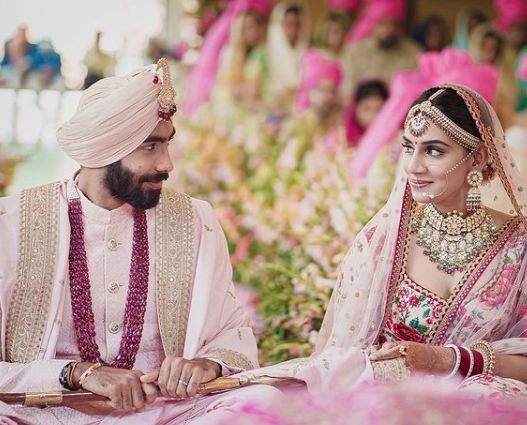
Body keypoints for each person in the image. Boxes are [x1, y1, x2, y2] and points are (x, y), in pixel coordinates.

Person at [0, 59, 274, 424]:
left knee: (261, 403)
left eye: (167, 145)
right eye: (150, 147)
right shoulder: (13, 223)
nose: (167, 164)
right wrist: (76, 373)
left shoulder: (195, 221)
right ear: (103, 149)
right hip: (46, 412)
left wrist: (206, 364)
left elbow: (231, 331)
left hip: (162, 413)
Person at [236, 83, 527, 400]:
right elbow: (346, 354)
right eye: (408, 147)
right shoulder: (384, 240)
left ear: (477, 158)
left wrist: (446, 360)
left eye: (433, 150)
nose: (413, 166)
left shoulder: (518, 247)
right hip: (388, 403)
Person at [340, 0, 421, 100]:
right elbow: (346, 91)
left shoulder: (414, 52)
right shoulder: (354, 51)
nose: (390, 30)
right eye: (384, 24)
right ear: (373, 25)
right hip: (361, 110)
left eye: (395, 24)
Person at [267, 3, 310, 110]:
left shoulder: (310, 55)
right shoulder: (266, 53)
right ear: (280, 26)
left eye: (297, 24)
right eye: (289, 24)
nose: (293, 29)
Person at [343, 79, 389, 147]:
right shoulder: (342, 137)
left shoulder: (394, 140)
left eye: (379, 110)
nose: (373, 116)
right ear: (355, 107)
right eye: (367, 109)